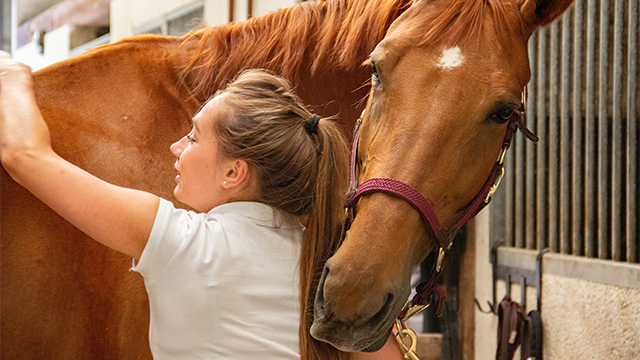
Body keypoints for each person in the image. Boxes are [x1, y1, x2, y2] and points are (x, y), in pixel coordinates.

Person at [0, 51, 404, 359]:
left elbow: (24, 155)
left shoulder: (179, 241)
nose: (176, 148)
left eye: (192, 138)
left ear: (234, 173)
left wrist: (10, 74)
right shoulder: (326, 261)